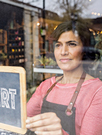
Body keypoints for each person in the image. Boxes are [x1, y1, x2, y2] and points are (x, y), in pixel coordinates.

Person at [26, 18, 102, 135]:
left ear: (84, 50)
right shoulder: (46, 85)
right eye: (58, 45)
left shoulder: (97, 91)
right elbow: (22, 120)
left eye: (71, 44)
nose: (63, 52)